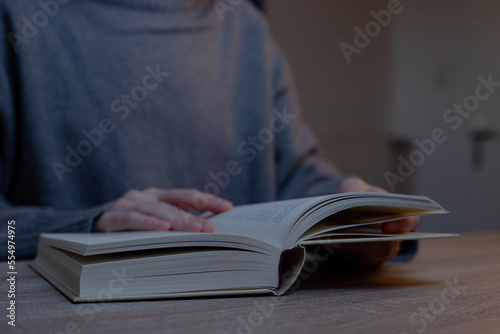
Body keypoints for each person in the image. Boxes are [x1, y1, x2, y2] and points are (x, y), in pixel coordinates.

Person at [0, 0, 418, 267]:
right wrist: (89, 226)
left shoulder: (247, 27)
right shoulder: (17, 18)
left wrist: (347, 212)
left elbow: (294, 175)